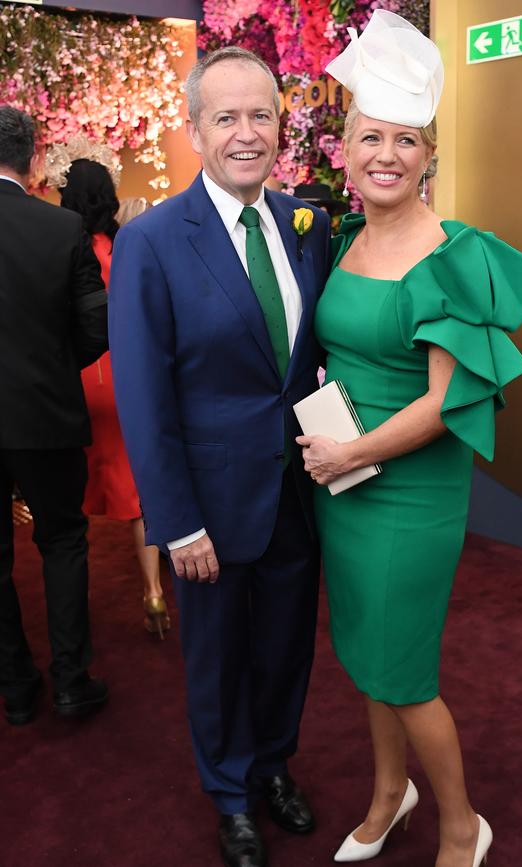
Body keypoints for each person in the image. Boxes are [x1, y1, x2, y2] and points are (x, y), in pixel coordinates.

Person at [297, 11, 522, 867]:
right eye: (371, 137)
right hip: (347, 490)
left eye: (406, 141)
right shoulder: (346, 236)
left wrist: (347, 452)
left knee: (405, 672)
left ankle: (459, 822)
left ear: (429, 155)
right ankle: (386, 794)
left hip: (408, 490)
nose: (386, 155)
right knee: (369, 658)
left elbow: (446, 403)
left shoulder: (451, 253)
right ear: (346, 149)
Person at [108, 47, 330, 867]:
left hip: (296, 494)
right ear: (196, 130)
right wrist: (175, 521)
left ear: (281, 124)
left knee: (284, 649)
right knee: (217, 661)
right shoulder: (154, 241)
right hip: (207, 506)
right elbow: (143, 396)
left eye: (261, 115)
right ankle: (230, 793)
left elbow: (304, 365)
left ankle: (273, 764)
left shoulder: (306, 227)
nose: (247, 133)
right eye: (226, 117)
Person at [0, 106, 109, 725]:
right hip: (46, 411)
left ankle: (15, 684)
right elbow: (97, 324)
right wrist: (52, 369)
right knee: (63, 541)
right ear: (34, 159)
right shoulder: (61, 227)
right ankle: (71, 679)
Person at [51, 154, 169, 639]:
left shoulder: (59, 242)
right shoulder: (128, 243)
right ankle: (154, 591)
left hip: (78, 376)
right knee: (139, 494)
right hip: (125, 376)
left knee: (67, 499)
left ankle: (72, 608)